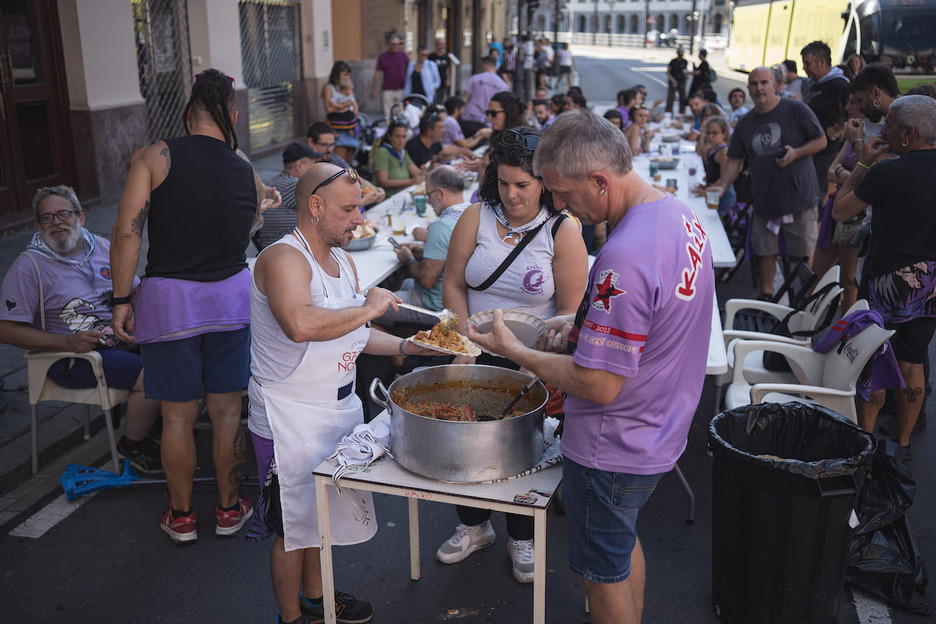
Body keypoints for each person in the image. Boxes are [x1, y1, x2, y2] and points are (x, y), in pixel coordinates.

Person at [465, 109, 713, 624]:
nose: (557, 205)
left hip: (613, 444)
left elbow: (598, 386)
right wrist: (575, 322)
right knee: (618, 550)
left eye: (563, 193)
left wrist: (516, 351)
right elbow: (651, 317)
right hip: (660, 428)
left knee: (602, 575)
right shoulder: (677, 214)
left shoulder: (622, 258)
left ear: (600, 180)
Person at [248, 163, 435, 624]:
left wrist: (406, 345)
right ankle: (290, 618)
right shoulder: (282, 259)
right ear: (315, 206)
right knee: (293, 525)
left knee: (322, 517)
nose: (359, 219)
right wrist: (370, 306)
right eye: (350, 209)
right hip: (286, 415)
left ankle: (318, 596)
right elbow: (302, 324)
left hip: (337, 411)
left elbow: (351, 335)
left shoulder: (343, 260)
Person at [111, 69, 274, 542]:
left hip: (169, 303)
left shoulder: (155, 157)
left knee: (178, 416)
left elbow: (127, 232)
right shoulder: (245, 166)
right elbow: (245, 229)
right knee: (227, 413)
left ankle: (181, 517)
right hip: (231, 299)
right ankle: (228, 510)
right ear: (233, 114)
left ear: (187, 112)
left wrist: (122, 299)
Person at [440, 127, 588, 583]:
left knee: (522, 451)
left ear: (544, 181)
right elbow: (453, 284)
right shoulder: (475, 216)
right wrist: (464, 341)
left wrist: (535, 355)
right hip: (476, 355)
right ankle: (473, 526)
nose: (511, 194)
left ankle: (521, 534)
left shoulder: (562, 230)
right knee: (466, 442)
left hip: (532, 361)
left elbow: (570, 308)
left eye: (522, 185)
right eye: (502, 183)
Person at [0, 186, 161, 474]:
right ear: (38, 225)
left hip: (119, 340)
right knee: (155, 375)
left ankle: (156, 427)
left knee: (178, 351)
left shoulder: (99, 245)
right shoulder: (29, 266)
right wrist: (68, 342)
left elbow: (135, 292)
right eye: (47, 218)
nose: (57, 222)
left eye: (64, 214)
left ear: (81, 217)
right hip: (73, 357)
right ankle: (133, 444)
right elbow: (5, 330)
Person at [832, 95, 936, 459]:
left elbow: (840, 211)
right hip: (932, 285)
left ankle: (866, 440)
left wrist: (862, 164)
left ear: (908, 133)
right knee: (913, 361)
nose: (883, 129)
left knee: (876, 358)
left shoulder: (888, 171)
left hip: (888, 280)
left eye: (889, 124)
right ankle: (904, 444)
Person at [708, 66, 827, 300]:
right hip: (764, 200)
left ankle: (804, 303)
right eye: (754, 84)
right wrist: (721, 186)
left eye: (764, 82)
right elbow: (735, 160)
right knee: (765, 252)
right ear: (749, 88)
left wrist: (796, 153)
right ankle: (766, 296)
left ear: (776, 85)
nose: (759, 88)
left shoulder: (796, 109)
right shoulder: (745, 123)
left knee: (803, 256)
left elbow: (821, 140)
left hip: (799, 198)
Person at [376, 166, 468, 327]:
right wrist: (423, 253)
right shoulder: (471, 214)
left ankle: (397, 350)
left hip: (436, 306)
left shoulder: (441, 226)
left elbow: (427, 280)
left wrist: (408, 259)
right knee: (396, 286)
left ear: (440, 193)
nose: (429, 202)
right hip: (463, 300)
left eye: (428, 195)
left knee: (371, 309)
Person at [812, 91, 867, 314]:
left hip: (857, 217)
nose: (847, 107)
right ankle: (803, 332)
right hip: (835, 211)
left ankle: (845, 334)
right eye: (847, 101)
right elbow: (830, 172)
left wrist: (845, 174)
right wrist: (849, 175)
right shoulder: (852, 134)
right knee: (816, 276)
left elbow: (866, 176)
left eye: (853, 102)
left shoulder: (868, 136)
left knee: (848, 281)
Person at [801, 41, 850, 211]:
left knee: (820, 195)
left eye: (807, 63)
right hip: (810, 149)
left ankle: (819, 228)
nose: (803, 67)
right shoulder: (814, 83)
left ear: (821, 62)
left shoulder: (839, 84)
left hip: (827, 153)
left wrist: (838, 128)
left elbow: (854, 110)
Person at [255, 142, 323, 251]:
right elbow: (326, 206)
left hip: (280, 248)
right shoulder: (293, 185)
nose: (316, 168)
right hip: (284, 251)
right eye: (313, 164)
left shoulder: (277, 182)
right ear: (299, 165)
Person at [306, 122, 385, 207]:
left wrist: (375, 190)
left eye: (332, 145)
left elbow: (355, 177)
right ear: (310, 142)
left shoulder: (333, 158)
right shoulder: (307, 166)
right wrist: (363, 202)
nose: (329, 150)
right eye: (324, 145)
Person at [693, 117, 736, 216]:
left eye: (715, 133)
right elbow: (700, 152)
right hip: (712, 191)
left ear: (724, 134)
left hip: (723, 196)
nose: (710, 136)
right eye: (708, 133)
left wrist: (706, 191)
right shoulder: (711, 149)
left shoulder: (723, 152)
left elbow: (723, 178)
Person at [405, 110, 476, 169]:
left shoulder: (433, 143)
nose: (444, 131)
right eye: (440, 128)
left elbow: (449, 149)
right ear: (429, 131)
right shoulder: (412, 148)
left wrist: (469, 153)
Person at [372, 119, 424, 197]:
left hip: (401, 195)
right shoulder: (382, 152)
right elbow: (383, 182)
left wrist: (428, 171)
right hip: (385, 199)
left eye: (404, 136)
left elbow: (417, 173)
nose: (401, 141)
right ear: (389, 137)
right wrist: (411, 181)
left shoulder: (403, 153)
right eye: (397, 136)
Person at [460, 56, 510, 137]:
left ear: (485, 65)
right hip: (489, 122)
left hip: (470, 118)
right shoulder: (503, 85)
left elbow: (464, 99)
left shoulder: (475, 78)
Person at [322, 61, 359, 164]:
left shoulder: (347, 87)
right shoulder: (329, 88)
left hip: (349, 124)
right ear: (337, 74)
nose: (347, 77)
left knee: (348, 160)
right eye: (345, 74)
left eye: (349, 74)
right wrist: (343, 107)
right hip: (338, 126)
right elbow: (329, 109)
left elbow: (353, 103)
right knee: (339, 162)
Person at [371, 34, 408, 122]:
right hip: (387, 89)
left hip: (401, 88)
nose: (396, 46)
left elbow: (408, 71)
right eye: (394, 44)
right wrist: (374, 88)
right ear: (388, 44)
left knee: (399, 112)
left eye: (398, 44)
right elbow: (377, 73)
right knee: (388, 113)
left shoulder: (403, 55)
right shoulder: (382, 57)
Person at [427, 37, 451, 104]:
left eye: (444, 44)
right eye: (441, 44)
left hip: (442, 83)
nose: (442, 46)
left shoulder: (446, 56)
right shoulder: (431, 56)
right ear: (436, 45)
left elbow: (447, 68)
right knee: (433, 101)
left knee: (440, 101)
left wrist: (448, 80)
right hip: (434, 83)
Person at [665, 48, 689, 115]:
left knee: (682, 98)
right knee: (671, 97)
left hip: (681, 81)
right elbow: (668, 71)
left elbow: (685, 70)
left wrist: (686, 76)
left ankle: (681, 113)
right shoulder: (673, 61)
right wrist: (672, 79)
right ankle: (668, 112)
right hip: (673, 81)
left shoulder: (685, 61)